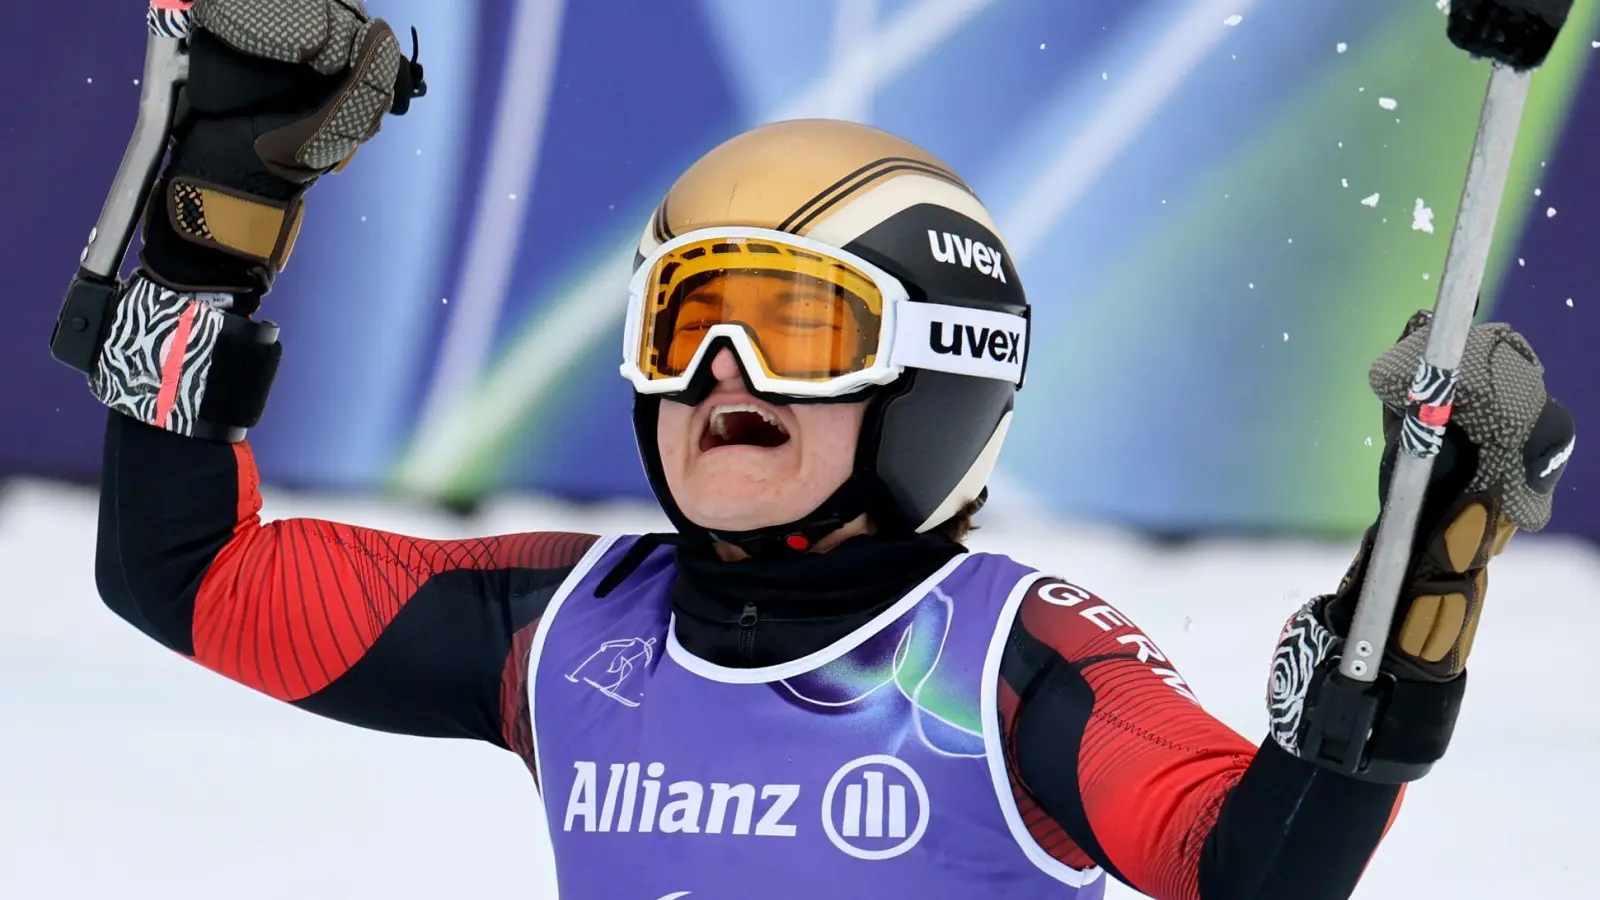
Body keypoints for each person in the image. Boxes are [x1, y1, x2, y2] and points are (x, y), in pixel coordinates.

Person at [80, 2, 1577, 898]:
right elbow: (185, 571)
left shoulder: (1007, 666)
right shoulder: (567, 632)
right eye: (684, 322)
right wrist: (215, 228)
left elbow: (1247, 867)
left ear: (939, 377)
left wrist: (1411, 606)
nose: (720, 373)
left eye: (795, 332)